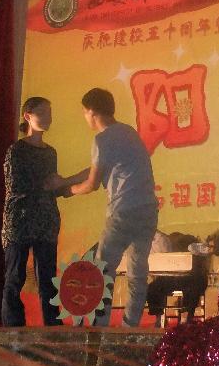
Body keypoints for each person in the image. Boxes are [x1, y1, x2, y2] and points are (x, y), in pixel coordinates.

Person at [68, 88, 158, 327]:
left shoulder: (102, 139)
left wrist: (68, 190)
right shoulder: (129, 132)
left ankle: (101, 328)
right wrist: (66, 180)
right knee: (137, 272)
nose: (85, 117)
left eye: (84, 112)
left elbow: (92, 183)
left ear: (91, 111)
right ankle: (130, 327)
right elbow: (97, 169)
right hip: (148, 209)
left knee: (102, 271)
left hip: (123, 210)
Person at [0, 96, 77, 327]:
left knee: (48, 280)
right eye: (42, 113)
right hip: (19, 221)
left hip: (45, 221)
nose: (48, 118)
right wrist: (49, 184)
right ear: (28, 116)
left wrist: (67, 186)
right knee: (15, 277)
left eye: (49, 113)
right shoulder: (16, 150)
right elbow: (15, 185)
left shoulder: (50, 152)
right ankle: (13, 329)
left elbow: (53, 188)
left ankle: (52, 327)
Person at [146, 232, 210, 325]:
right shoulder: (169, 248)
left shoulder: (195, 251)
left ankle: (186, 317)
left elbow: (200, 272)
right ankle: (160, 316)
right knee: (153, 287)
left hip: (191, 279)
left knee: (192, 287)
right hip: (175, 278)